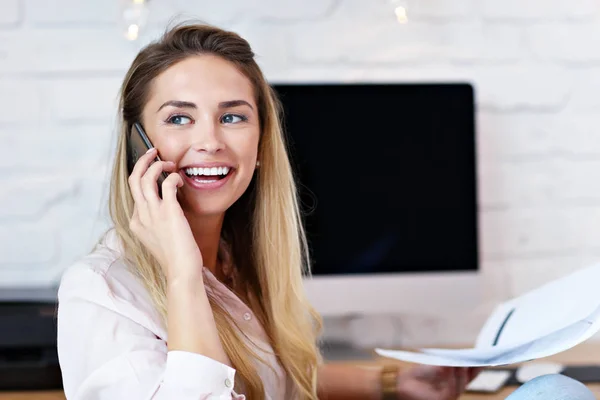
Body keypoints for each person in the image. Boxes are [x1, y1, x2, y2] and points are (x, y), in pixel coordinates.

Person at [55, 21, 595, 400]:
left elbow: (267, 383)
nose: (210, 141)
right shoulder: (101, 292)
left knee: (555, 391)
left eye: (234, 117)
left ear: (263, 143)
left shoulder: (236, 259)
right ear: (137, 144)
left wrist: (388, 384)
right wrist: (179, 275)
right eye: (178, 119)